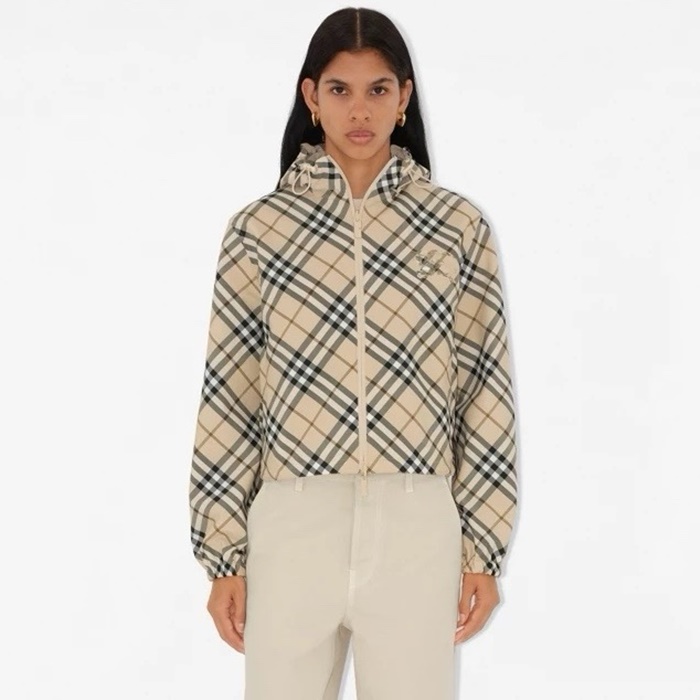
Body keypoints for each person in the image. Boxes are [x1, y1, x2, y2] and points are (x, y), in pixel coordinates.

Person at [188, 7, 518, 699]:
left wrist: (482, 549)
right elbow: (231, 397)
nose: (359, 110)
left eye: (378, 89)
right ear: (311, 96)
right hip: (292, 522)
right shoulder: (259, 231)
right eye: (340, 89)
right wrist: (224, 557)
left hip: (416, 523)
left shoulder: (456, 228)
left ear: (404, 98)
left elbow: (485, 391)